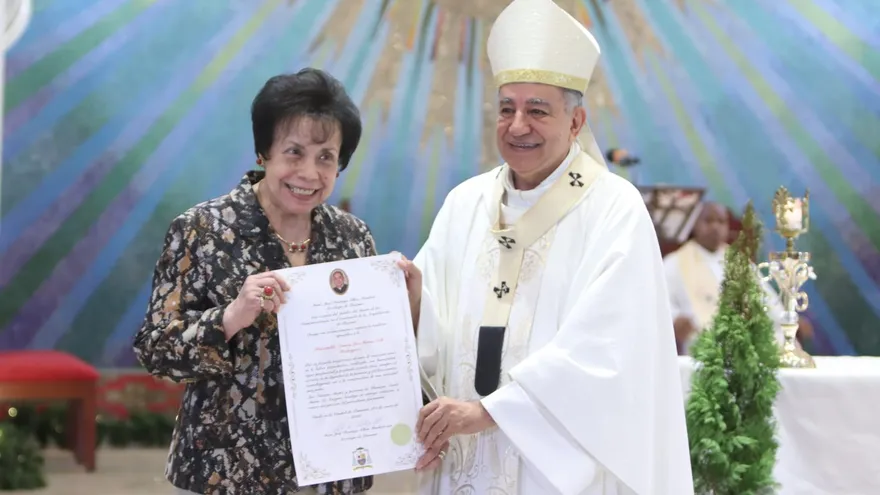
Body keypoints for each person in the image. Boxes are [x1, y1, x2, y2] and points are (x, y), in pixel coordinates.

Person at [408, 0, 693, 494]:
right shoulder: (465, 204)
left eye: (537, 110)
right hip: (464, 460)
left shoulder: (613, 209)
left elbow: (608, 352)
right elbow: (435, 329)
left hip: (556, 470)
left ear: (577, 122)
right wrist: (410, 300)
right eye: (506, 108)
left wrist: (490, 412)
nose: (518, 125)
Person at [133, 68, 394, 494]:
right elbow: (156, 349)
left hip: (331, 465)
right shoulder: (202, 229)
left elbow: (368, 352)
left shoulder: (353, 236)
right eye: (294, 152)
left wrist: (404, 301)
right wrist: (232, 316)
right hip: (228, 466)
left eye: (326, 156)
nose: (309, 173)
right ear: (263, 154)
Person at [663, 201, 813, 354]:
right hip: (704, 338)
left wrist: (788, 320)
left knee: (777, 339)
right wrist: (675, 320)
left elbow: (766, 298)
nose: (715, 227)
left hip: (746, 335)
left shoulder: (739, 261)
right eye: (708, 221)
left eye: (721, 221)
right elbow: (664, 303)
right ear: (694, 224)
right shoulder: (674, 263)